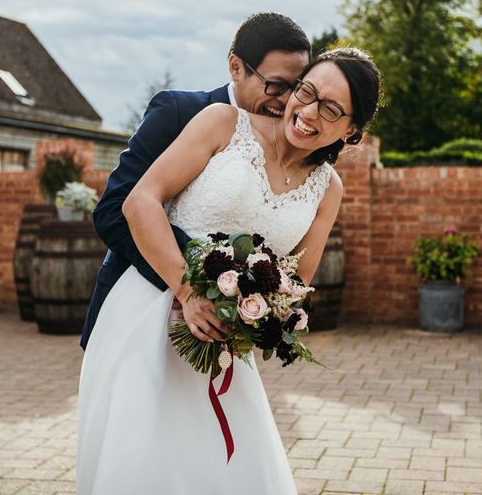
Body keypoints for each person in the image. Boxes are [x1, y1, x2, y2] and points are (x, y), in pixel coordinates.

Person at [77, 47, 382, 494]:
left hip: (224, 345)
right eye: (307, 91)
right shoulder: (223, 123)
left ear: (352, 130)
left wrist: (256, 318)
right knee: (143, 462)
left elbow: (294, 280)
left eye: (331, 109)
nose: (308, 112)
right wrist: (188, 291)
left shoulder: (328, 189)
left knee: (222, 471)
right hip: (146, 314)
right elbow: (139, 201)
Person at [80, 12, 312, 350]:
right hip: (136, 316)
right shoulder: (177, 111)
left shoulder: (288, 146)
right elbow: (113, 211)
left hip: (220, 337)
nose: (286, 100)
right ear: (236, 67)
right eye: (276, 86)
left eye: (297, 88)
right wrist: (202, 278)